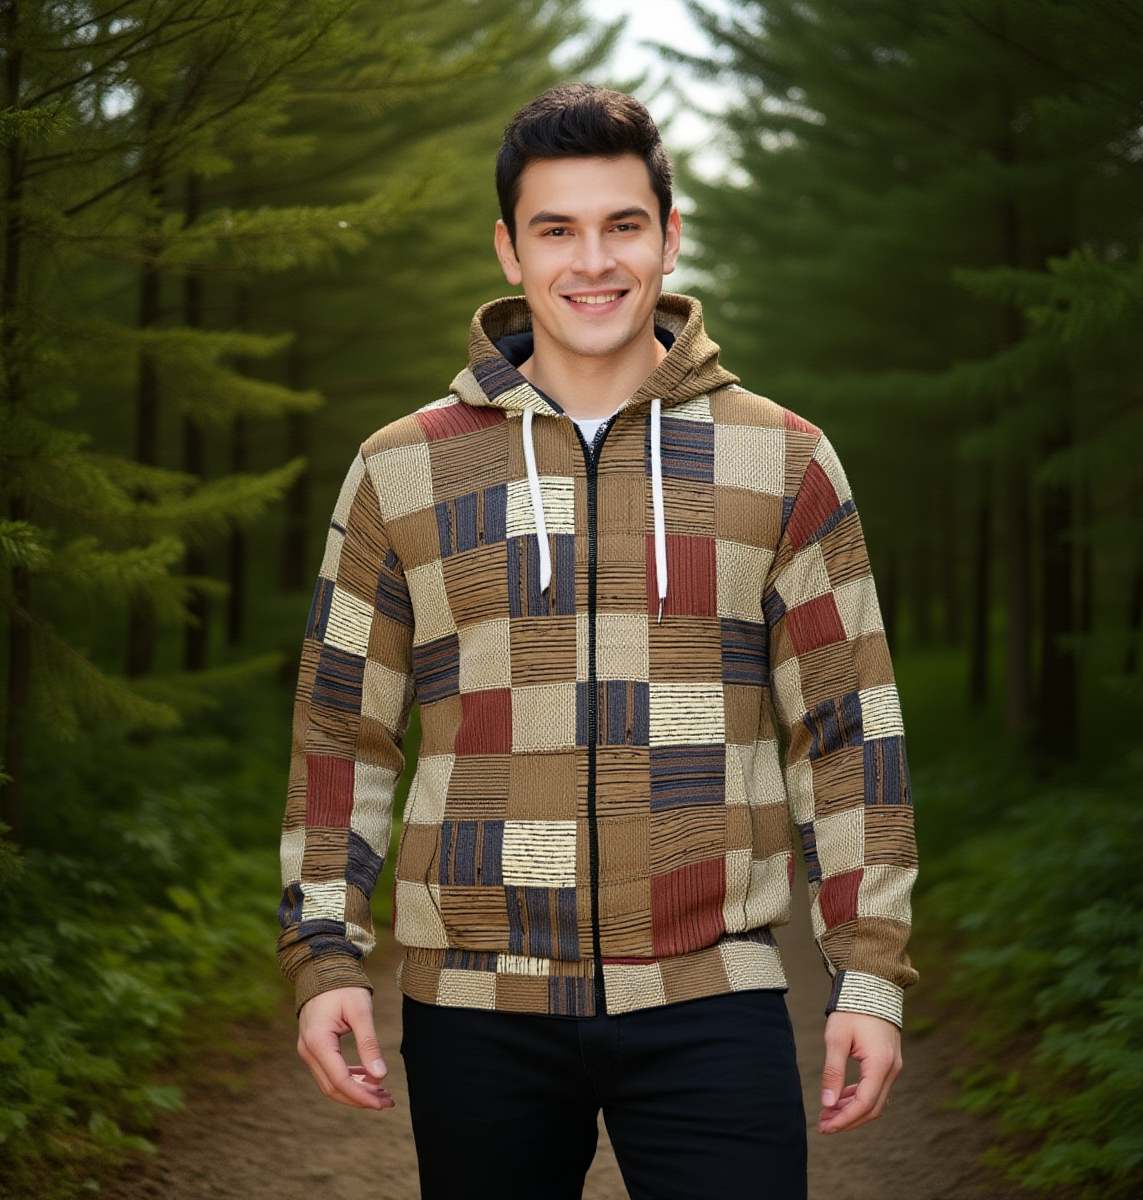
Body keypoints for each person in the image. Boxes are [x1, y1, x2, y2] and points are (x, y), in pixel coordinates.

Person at [276, 83, 918, 1200]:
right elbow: (344, 731)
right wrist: (324, 957)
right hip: (477, 1007)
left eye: (624, 224)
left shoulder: (786, 459)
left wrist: (868, 977)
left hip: (714, 994)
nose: (594, 260)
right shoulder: (401, 470)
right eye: (557, 228)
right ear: (509, 249)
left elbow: (849, 728)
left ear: (669, 237)